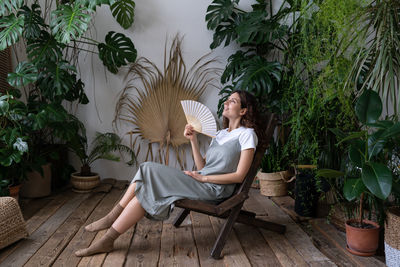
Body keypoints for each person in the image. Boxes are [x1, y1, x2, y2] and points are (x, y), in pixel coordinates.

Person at [75, 90, 262, 257]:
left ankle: (111, 217)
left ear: (243, 111)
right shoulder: (220, 134)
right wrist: (193, 140)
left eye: (233, 101)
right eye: (227, 100)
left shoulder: (247, 135)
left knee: (147, 167)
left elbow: (239, 176)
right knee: (144, 192)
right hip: (200, 181)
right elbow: (202, 165)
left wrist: (203, 177)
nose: (226, 103)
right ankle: (108, 240)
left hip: (216, 190)